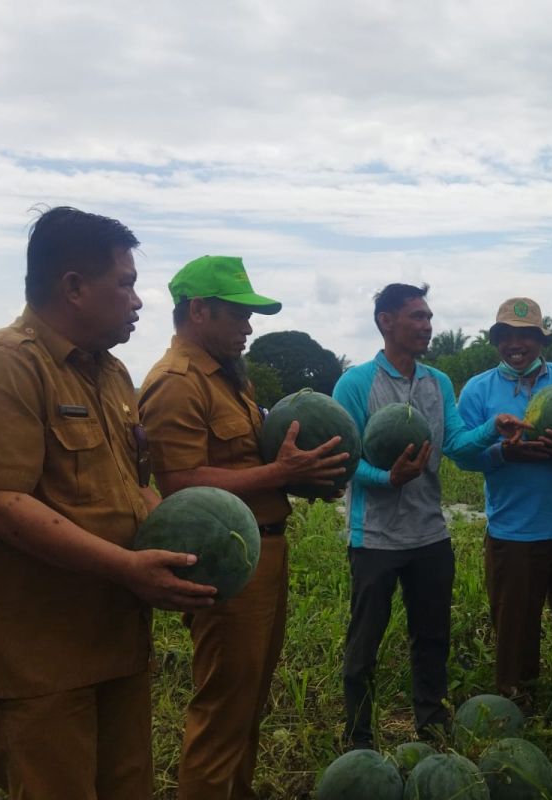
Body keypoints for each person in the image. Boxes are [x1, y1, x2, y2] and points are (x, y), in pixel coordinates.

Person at [0, 207, 217, 798]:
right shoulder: (0, 365)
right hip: (35, 663)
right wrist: (126, 568)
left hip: (113, 642)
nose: (139, 300)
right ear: (73, 286)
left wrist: (180, 554)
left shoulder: (113, 375)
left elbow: (134, 487)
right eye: (126, 282)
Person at [138, 255, 349, 799]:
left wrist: (306, 476)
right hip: (228, 570)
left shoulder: (231, 379)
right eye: (238, 314)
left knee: (249, 700)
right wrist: (281, 472)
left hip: (263, 552)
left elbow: (250, 463)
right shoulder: (177, 383)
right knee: (223, 709)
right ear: (199, 310)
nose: (249, 327)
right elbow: (180, 483)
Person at [331, 283, 527, 750]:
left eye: (428, 317)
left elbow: (455, 442)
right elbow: (343, 459)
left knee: (433, 638)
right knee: (364, 647)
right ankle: (358, 738)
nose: (426, 326)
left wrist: (492, 429)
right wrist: (386, 478)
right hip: (375, 537)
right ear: (386, 321)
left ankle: (433, 728)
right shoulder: (356, 384)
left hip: (428, 535)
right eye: (416, 317)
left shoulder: (438, 382)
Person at [454, 296, 552, 702]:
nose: (515, 344)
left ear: (542, 339)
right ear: (497, 340)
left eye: (526, 336)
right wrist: (504, 452)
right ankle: (516, 701)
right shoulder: (478, 389)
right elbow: (463, 456)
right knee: (514, 629)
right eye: (506, 336)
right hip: (512, 534)